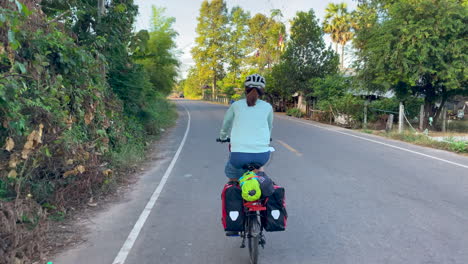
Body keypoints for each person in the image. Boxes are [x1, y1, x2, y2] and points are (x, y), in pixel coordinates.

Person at [219, 74, 273, 183]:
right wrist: (267, 139)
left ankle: (234, 189)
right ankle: (259, 188)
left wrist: (223, 136)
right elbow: (269, 127)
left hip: (238, 156)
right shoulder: (268, 107)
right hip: (262, 156)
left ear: (245, 89)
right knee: (259, 168)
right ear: (262, 91)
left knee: (232, 174)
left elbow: (227, 123)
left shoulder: (236, 105)